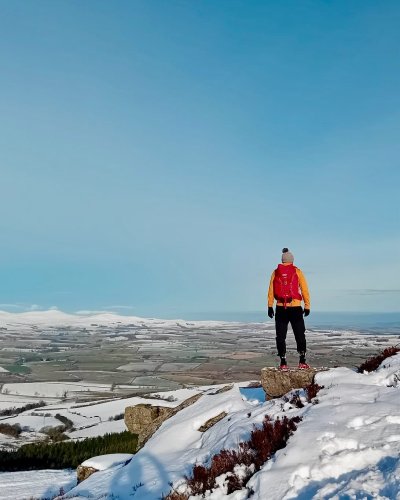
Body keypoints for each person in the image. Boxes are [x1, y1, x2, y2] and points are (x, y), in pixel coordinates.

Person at [267, 248, 310, 370]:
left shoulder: (275, 272)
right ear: (292, 260)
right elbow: (304, 289)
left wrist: (270, 306)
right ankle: (302, 361)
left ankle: (283, 362)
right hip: (295, 307)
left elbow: (271, 290)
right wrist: (307, 305)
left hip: (280, 308)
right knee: (299, 334)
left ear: (282, 260)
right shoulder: (297, 271)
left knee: (280, 336)